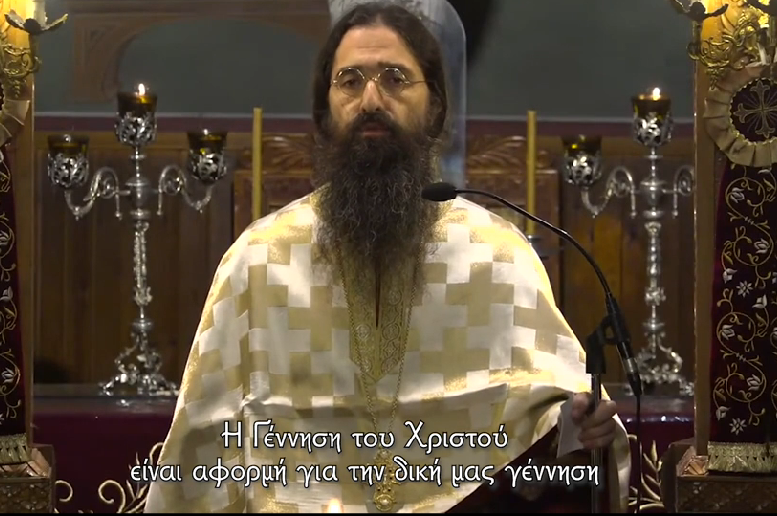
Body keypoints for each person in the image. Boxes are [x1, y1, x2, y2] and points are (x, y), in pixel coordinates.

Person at [144, 1, 631, 512]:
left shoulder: (498, 257)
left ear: (435, 107)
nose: (371, 100)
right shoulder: (258, 261)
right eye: (350, 81)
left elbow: (554, 424)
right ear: (324, 112)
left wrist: (578, 429)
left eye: (395, 79)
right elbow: (202, 448)